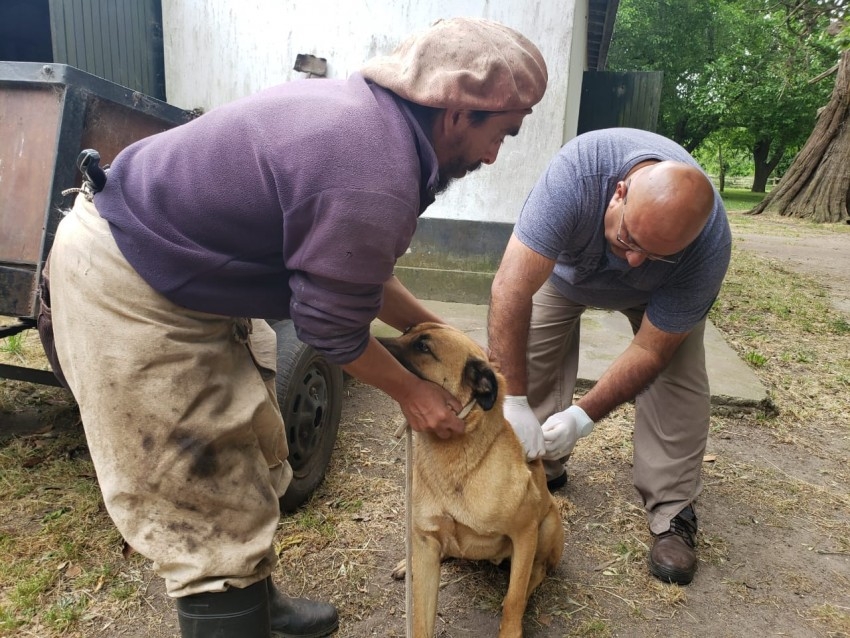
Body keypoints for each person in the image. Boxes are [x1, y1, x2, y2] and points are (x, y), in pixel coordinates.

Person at [38, 17, 547, 637]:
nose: (496, 155)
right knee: (205, 500)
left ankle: (258, 604)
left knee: (250, 442)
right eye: (502, 134)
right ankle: (231, 607)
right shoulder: (374, 169)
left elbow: (351, 271)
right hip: (129, 278)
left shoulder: (377, 129)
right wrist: (414, 393)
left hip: (181, 271)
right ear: (459, 111)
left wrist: (436, 332)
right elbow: (331, 330)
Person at [488, 127, 731, 586]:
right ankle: (536, 468)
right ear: (618, 193)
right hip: (566, 277)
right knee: (527, 359)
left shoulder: (708, 244)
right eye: (629, 240)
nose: (634, 261)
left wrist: (583, 416)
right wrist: (513, 400)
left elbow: (651, 349)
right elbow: (510, 287)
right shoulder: (576, 175)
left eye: (655, 254)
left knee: (678, 381)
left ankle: (673, 511)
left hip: (656, 298)